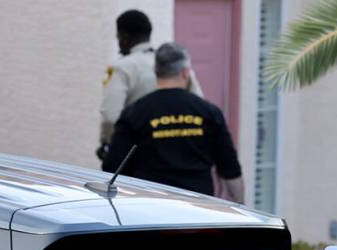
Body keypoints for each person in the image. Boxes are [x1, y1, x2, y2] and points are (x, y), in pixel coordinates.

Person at [102, 42, 244, 201]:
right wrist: (241, 208)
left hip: (150, 209)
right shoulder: (209, 113)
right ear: (185, 73)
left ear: (156, 71)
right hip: (199, 210)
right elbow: (231, 171)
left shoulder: (135, 113)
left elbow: (112, 167)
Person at [98, 9, 203, 159]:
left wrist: (108, 144)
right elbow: (199, 102)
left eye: (118, 37)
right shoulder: (174, 64)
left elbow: (110, 116)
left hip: (139, 151)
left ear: (125, 37)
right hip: (180, 149)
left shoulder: (122, 68)